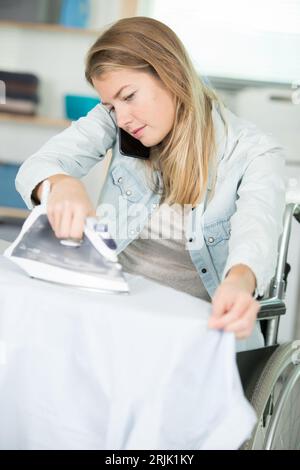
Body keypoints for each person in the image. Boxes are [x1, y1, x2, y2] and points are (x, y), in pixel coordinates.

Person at [16, 16, 286, 347]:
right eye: (111, 105)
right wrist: (58, 184)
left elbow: (256, 232)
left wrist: (240, 280)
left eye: (129, 96)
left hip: (190, 331)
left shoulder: (253, 152)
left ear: (170, 73)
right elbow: (38, 165)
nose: (123, 118)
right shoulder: (115, 120)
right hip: (113, 311)